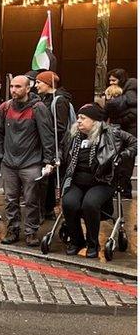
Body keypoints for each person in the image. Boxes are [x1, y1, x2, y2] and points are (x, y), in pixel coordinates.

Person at [61, 103, 137, 257]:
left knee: (90, 204)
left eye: (83, 118)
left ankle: (93, 244)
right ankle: (76, 241)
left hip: (102, 180)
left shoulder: (111, 133)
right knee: (68, 203)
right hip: (77, 180)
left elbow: (134, 142)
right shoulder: (74, 135)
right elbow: (63, 152)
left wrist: (121, 157)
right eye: (78, 118)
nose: (79, 121)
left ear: (95, 121)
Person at [0, 75, 56, 246]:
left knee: (31, 200)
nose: (14, 90)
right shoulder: (5, 107)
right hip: (9, 163)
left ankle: (31, 231)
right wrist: (0, 154)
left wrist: (48, 160)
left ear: (28, 89)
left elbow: (47, 136)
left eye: (18, 87)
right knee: (10, 199)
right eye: (12, 86)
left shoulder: (38, 108)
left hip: (31, 162)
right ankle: (13, 229)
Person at [35, 71, 75, 219]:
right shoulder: (45, 98)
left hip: (54, 146)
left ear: (48, 83)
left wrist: (49, 143)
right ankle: (47, 209)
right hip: (47, 144)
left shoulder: (59, 101)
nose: (36, 85)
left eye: (39, 82)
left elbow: (60, 127)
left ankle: (48, 209)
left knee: (49, 180)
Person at [105, 68, 137, 199]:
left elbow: (134, 112)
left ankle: (124, 190)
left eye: (114, 80)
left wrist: (117, 120)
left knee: (125, 161)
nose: (111, 83)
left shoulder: (129, 93)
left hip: (128, 130)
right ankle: (123, 189)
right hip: (125, 129)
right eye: (110, 80)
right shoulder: (125, 92)